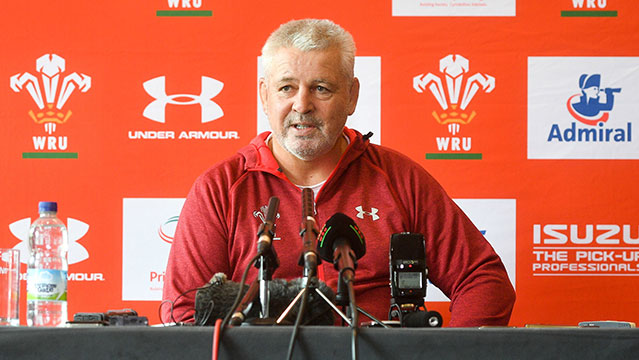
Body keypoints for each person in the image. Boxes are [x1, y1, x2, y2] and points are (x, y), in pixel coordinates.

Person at [162, 18, 515, 327]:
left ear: (351, 96)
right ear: (264, 96)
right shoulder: (221, 188)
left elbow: (483, 280)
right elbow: (184, 312)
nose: (302, 104)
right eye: (287, 87)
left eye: (321, 88)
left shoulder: (400, 179)